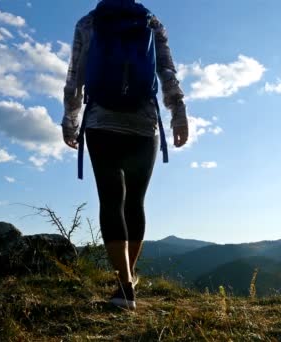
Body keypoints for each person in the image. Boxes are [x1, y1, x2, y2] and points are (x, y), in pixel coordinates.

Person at [61, 0, 189, 310]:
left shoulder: (88, 23)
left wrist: (70, 119)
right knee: (135, 203)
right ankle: (127, 283)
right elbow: (167, 70)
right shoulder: (150, 21)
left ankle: (123, 286)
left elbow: (75, 75)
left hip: (101, 123)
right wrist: (179, 111)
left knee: (110, 201)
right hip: (143, 125)